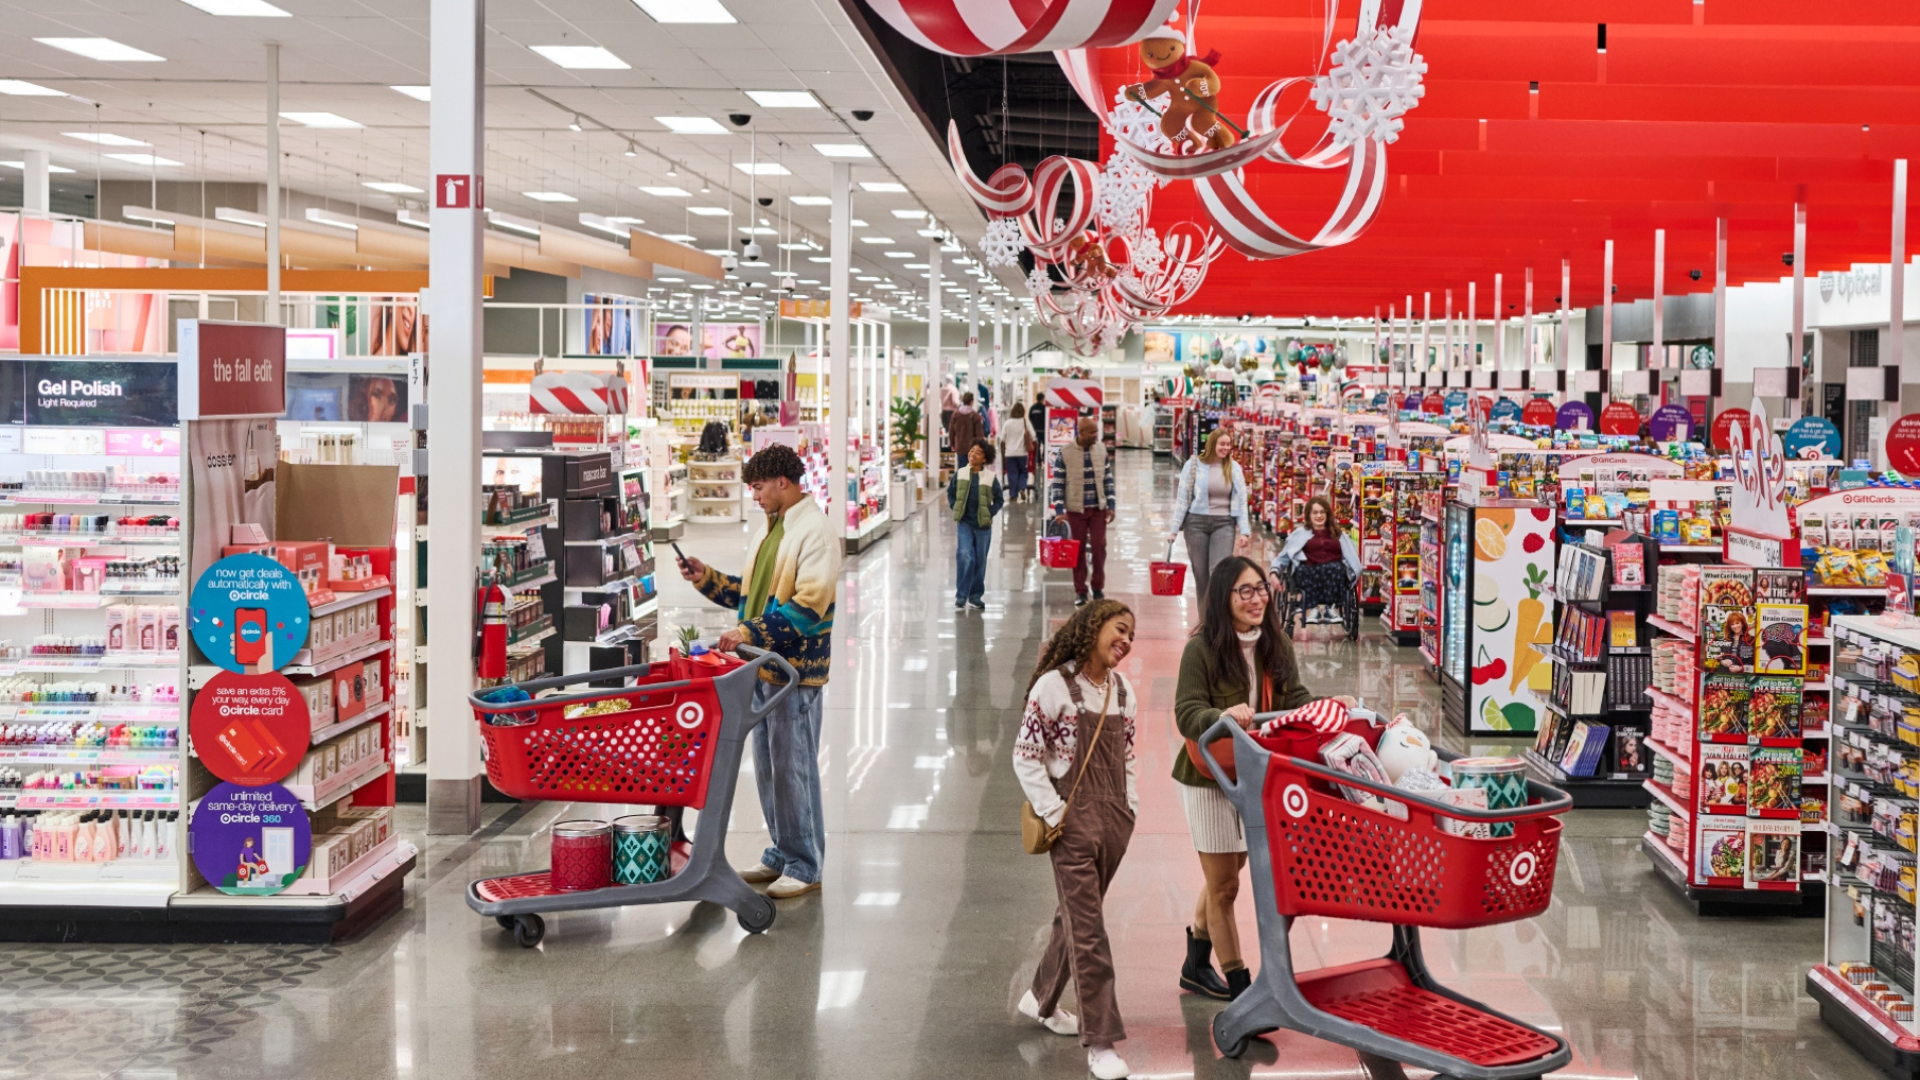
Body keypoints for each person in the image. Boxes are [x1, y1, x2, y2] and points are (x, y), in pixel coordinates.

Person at [678, 443, 840, 900]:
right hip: (763, 669)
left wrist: (749, 630)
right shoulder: (772, 530)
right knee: (769, 771)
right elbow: (749, 596)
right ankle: (782, 854)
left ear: (782, 482)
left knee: (795, 770)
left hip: (795, 672)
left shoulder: (815, 532)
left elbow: (810, 605)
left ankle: (806, 864)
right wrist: (704, 576)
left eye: (758, 486)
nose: (754, 495)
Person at [1171, 556, 1331, 1001]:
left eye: (1261, 588)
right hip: (1209, 776)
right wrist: (1220, 716)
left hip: (1255, 772)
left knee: (1229, 870)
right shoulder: (1200, 649)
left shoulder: (1274, 643)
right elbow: (1186, 712)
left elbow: (1294, 696)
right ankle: (1241, 986)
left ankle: (1195, 961)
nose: (1256, 598)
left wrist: (1327, 705)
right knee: (1225, 885)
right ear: (1223, 597)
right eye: (1245, 590)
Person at [1013, 599, 1139, 1080]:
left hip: (1113, 819)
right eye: (1119, 629)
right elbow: (1025, 755)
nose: (1125, 641)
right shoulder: (1053, 687)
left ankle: (1040, 999)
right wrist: (1054, 810)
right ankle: (1101, 1040)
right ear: (1092, 627)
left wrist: (1129, 811)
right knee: (1089, 929)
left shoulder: (1122, 690)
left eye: (1131, 636)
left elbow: (1127, 756)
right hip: (1069, 822)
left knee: (1074, 918)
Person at [1169, 429, 1251, 601]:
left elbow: (1241, 501)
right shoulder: (1193, 466)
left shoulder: (1234, 468)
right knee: (1201, 576)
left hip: (1224, 524)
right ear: (1212, 444)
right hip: (1195, 525)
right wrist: (1174, 530)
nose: (1226, 448)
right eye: (1222, 444)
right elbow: (1182, 498)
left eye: (1228, 444)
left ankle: (1219, 619)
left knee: (1219, 573)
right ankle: (1206, 621)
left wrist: (1244, 530)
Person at [1049, 417, 1116, 606]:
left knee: (1099, 546)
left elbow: (1108, 480)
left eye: (1097, 431)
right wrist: (1060, 509)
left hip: (1098, 509)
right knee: (1076, 551)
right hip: (1075, 509)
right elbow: (1058, 483)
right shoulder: (1066, 453)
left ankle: (1097, 587)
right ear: (1081, 433)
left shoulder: (1101, 450)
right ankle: (1080, 591)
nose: (1096, 435)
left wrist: (1111, 505)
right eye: (1092, 432)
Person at [1272, 495, 1360, 624]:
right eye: (1315, 512)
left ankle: (1330, 608)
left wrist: (1355, 572)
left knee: (1335, 568)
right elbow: (1284, 555)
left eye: (1322, 512)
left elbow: (1351, 555)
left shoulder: (1338, 534)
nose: (1319, 516)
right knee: (1303, 570)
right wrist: (1274, 572)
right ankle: (1314, 608)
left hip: (1333, 572)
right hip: (1308, 571)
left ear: (1327, 514)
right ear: (1309, 515)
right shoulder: (1300, 533)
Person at [948, 438, 1005, 610]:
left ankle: (975, 596)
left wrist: (990, 513)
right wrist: (955, 507)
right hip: (964, 523)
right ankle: (961, 595)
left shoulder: (990, 478)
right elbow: (951, 493)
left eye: (978, 452)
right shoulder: (960, 474)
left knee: (980, 561)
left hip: (983, 527)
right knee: (965, 555)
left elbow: (999, 499)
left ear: (985, 459)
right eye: (972, 450)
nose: (973, 454)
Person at [1001, 403, 1035, 502]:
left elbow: (1002, 439)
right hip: (1022, 453)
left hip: (1010, 453)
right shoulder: (1025, 422)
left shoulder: (1007, 423)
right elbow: (1033, 436)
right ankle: (1022, 488)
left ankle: (1013, 495)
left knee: (1012, 473)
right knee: (1023, 472)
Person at [948, 392, 985, 472]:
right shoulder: (975, 416)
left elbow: (951, 431)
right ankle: (971, 484)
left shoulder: (955, 415)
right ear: (971, 402)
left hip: (960, 446)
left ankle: (962, 483)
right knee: (972, 469)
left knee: (962, 469)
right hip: (972, 448)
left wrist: (952, 444)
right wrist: (981, 446)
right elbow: (979, 433)